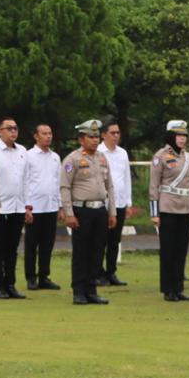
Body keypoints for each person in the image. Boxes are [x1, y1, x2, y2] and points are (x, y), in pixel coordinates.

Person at [59, 120, 115, 305]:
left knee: (97, 251)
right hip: (81, 210)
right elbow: (65, 187)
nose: (94, 140)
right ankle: (79, 291)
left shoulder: (102, 158)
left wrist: (112, 212)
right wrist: (69, 213)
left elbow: (110, 186)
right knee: (81, 252)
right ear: (81, 139)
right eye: (90, 137)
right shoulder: (72, 159)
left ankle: (92, 290)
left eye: (97, 136)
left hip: (99, 209)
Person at [150, 120, 189, 302]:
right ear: (171, 136)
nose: (182, 139)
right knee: (168, 251)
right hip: (168, 207)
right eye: (178, 135)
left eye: (184, 135)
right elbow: (154, 186)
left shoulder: (188, 157)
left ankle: (179, 288)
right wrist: (154, 213)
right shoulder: (161, 156)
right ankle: (168, 289)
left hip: (185, 208)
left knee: (181, 251)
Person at [0, 117, 28, 300]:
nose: (13, 132)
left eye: (15, 128)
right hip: (0, 207)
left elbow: (25, 179)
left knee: (13, 248)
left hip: (18, 206)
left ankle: (10, 283)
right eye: (9, 128)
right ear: (0, 131)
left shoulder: (22, 151)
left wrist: (27, 206)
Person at [23, 123, 62, 291]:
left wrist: (60, 206)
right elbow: (24, 181)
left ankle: (44, 276)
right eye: (44, 133)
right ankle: (31, 277)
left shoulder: (55, 157)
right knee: (32, 244)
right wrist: (27, 206)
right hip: (34, 207)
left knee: (47, 244)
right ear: (36, 136)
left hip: (51, 206)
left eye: (50, 133)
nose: (48, 136)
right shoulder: (28, 156)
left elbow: (58, 182)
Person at [95, 118, 132, 287]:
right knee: (100, 239)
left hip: (120, 202)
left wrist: (128, 202)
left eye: (118, 133)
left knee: (114, 240)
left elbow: (126, 178)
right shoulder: (98, 152)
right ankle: (98, 272)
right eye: (112, 133)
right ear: (103, 135)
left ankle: (111, 272)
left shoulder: (122, 153)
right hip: (103, 202)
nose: (116, 136)